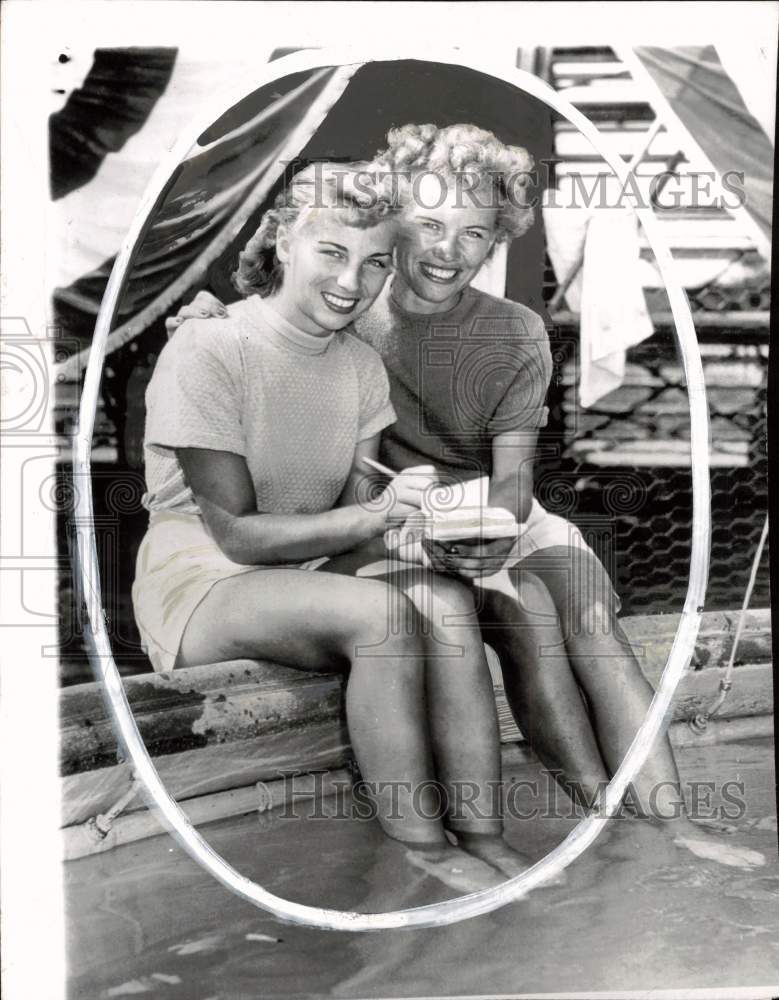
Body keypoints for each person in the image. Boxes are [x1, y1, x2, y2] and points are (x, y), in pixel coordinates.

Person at [170, 126, 764, 870]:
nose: (447, 250)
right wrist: (204, 310)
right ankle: (601, 820)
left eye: (473, 233)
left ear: (496, 242)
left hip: (494, 509)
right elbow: (271, 333)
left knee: (581, 607)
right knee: (525, 615)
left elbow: (515, 482)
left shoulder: (514, 332)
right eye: (429, 225)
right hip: (385, 518)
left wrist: (495, 532)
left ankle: (669, 826)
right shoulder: (350, 303)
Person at [132, 163, 523, 892]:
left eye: (376, 261)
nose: (354, 280)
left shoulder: (359, 366)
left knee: (444, 604)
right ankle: (422, 848)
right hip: (206, 579)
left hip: (305, 573)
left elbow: (346, 530)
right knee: (380, 616)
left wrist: (434, 538)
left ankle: (482, 831)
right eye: (333, 253)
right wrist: (377, 514)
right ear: (283, 241)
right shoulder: (208, 347)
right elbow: (238, 536)